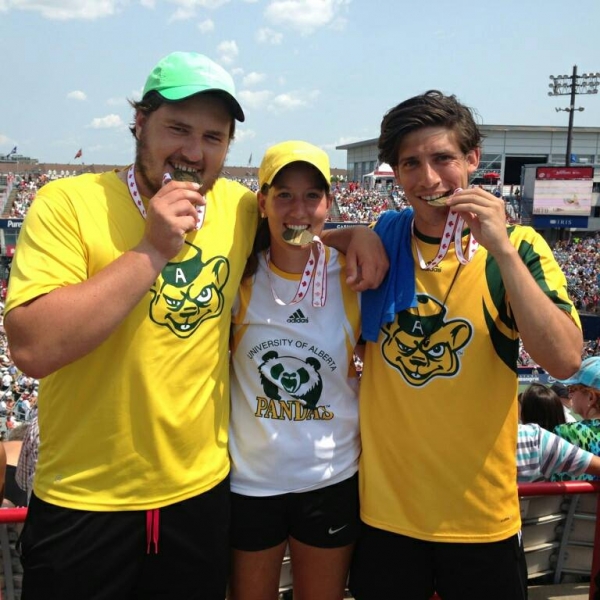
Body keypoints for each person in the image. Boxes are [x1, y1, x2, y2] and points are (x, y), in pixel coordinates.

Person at [3, 52, 386, 600]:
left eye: (213, 137)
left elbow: (298, 230)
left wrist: (357, 236)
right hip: (86, 497)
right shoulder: (68, 203)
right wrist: (153, 249)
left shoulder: (234, 206)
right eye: (177, 129)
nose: (193, 151)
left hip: (200, 494)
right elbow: (35, 348)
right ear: (140, 123)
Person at [349, 90, 583, 600]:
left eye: (443, 159)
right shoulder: (385, 236)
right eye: (410, 163)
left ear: (473, 159)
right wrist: (351, 236)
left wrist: (499, 247)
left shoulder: (518, 248)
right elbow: (301, 242)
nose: (428, 179)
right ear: (395, 171)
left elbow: (564, 360)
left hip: (481, 519)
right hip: (386, 515)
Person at [228, 141, 360, 600]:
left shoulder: (355, 276)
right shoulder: (237, 279)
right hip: (250, 483)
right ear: (262, 202)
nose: (298, 209)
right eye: (283, 194)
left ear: (329, 203)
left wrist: (357, 234)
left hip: (331, 478)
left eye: (312, 196)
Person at [552, 356, 600, 482]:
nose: (570, 394)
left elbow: (559, 486)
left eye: (573, 389)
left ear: (591, 397)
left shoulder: (568, 433)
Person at [517, 422, 600, 482]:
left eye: (574, 395)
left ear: (591, 398)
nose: (570, 396)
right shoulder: (534, 437)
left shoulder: (566, 430)